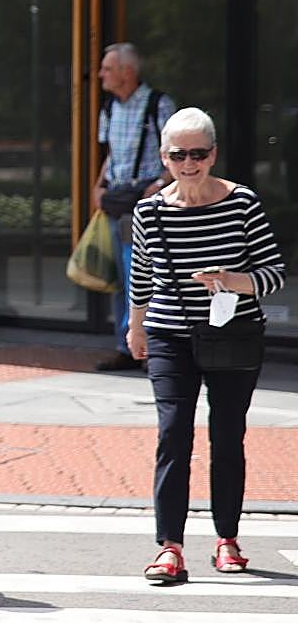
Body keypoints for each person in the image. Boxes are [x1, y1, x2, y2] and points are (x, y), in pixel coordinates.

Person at [127, 107, 285, 584]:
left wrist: (231, 281)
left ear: (213, 154)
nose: (190, 162)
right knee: (173, 434)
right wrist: (135, 327)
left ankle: (227, 538)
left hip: (233, 338)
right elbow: (141, 277)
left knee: (227, 437)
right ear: (164, 157)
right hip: (170, 335)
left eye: (199, 153)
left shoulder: (242, 204)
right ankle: (169, 547)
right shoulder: (150, 210)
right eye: (179, 154)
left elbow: (274, 275)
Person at [91, 43, 176, 371]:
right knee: (121, 277)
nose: (101, 74)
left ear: (128, 72)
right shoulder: (110, 107)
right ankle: (125, 345)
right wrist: (99, 187)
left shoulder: (158, 105)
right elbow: (111, 153)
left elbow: (176, 153)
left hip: (147, 202)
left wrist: (158, 187)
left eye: (107, 68)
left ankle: (151, 345)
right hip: (116, 200)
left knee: (143, 274)